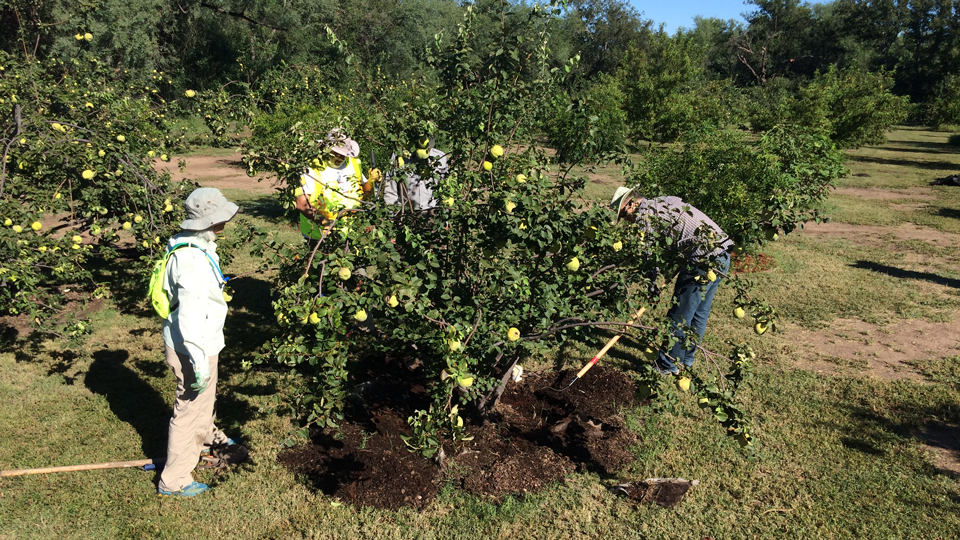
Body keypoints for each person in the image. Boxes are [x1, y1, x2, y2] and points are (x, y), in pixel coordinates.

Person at [158, 187, 244, 498]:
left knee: (203, 403)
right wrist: (196, 358)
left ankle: (208, 439)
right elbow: (190, 315)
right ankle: (175, 479)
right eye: (220, 218)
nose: (225, 223)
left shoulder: (190, 244)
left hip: (200, 341)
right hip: (194, 345)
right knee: (189, 410)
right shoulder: (192, 260)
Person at [610, 186, 733, 374]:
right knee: (699, 312)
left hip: (701, 261)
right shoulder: (666, 201)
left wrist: (652, 287)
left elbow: (648, 257)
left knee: (679, 316)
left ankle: (667, 365)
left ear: (633, 203)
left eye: (625, 214)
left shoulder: (645, 218)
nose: (627, 220)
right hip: (722, 254)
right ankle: (685, 360)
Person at [294, 128, 379, 240]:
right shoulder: (312, 167)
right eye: (338, 153)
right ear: (326, 148)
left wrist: (371, 182)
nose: (342, 158)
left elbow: (364, 196)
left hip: (352, 234)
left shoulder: (352, 163)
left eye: (344, 154)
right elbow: (302, 203)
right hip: (320, 236)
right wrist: (325, 222)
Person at [383, 137, 448, 211]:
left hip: (432, 213)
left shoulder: (440, 157)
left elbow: (445, 189)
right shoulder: (399, 157)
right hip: (407, 214)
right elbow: (390, 192)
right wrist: (391, 216)